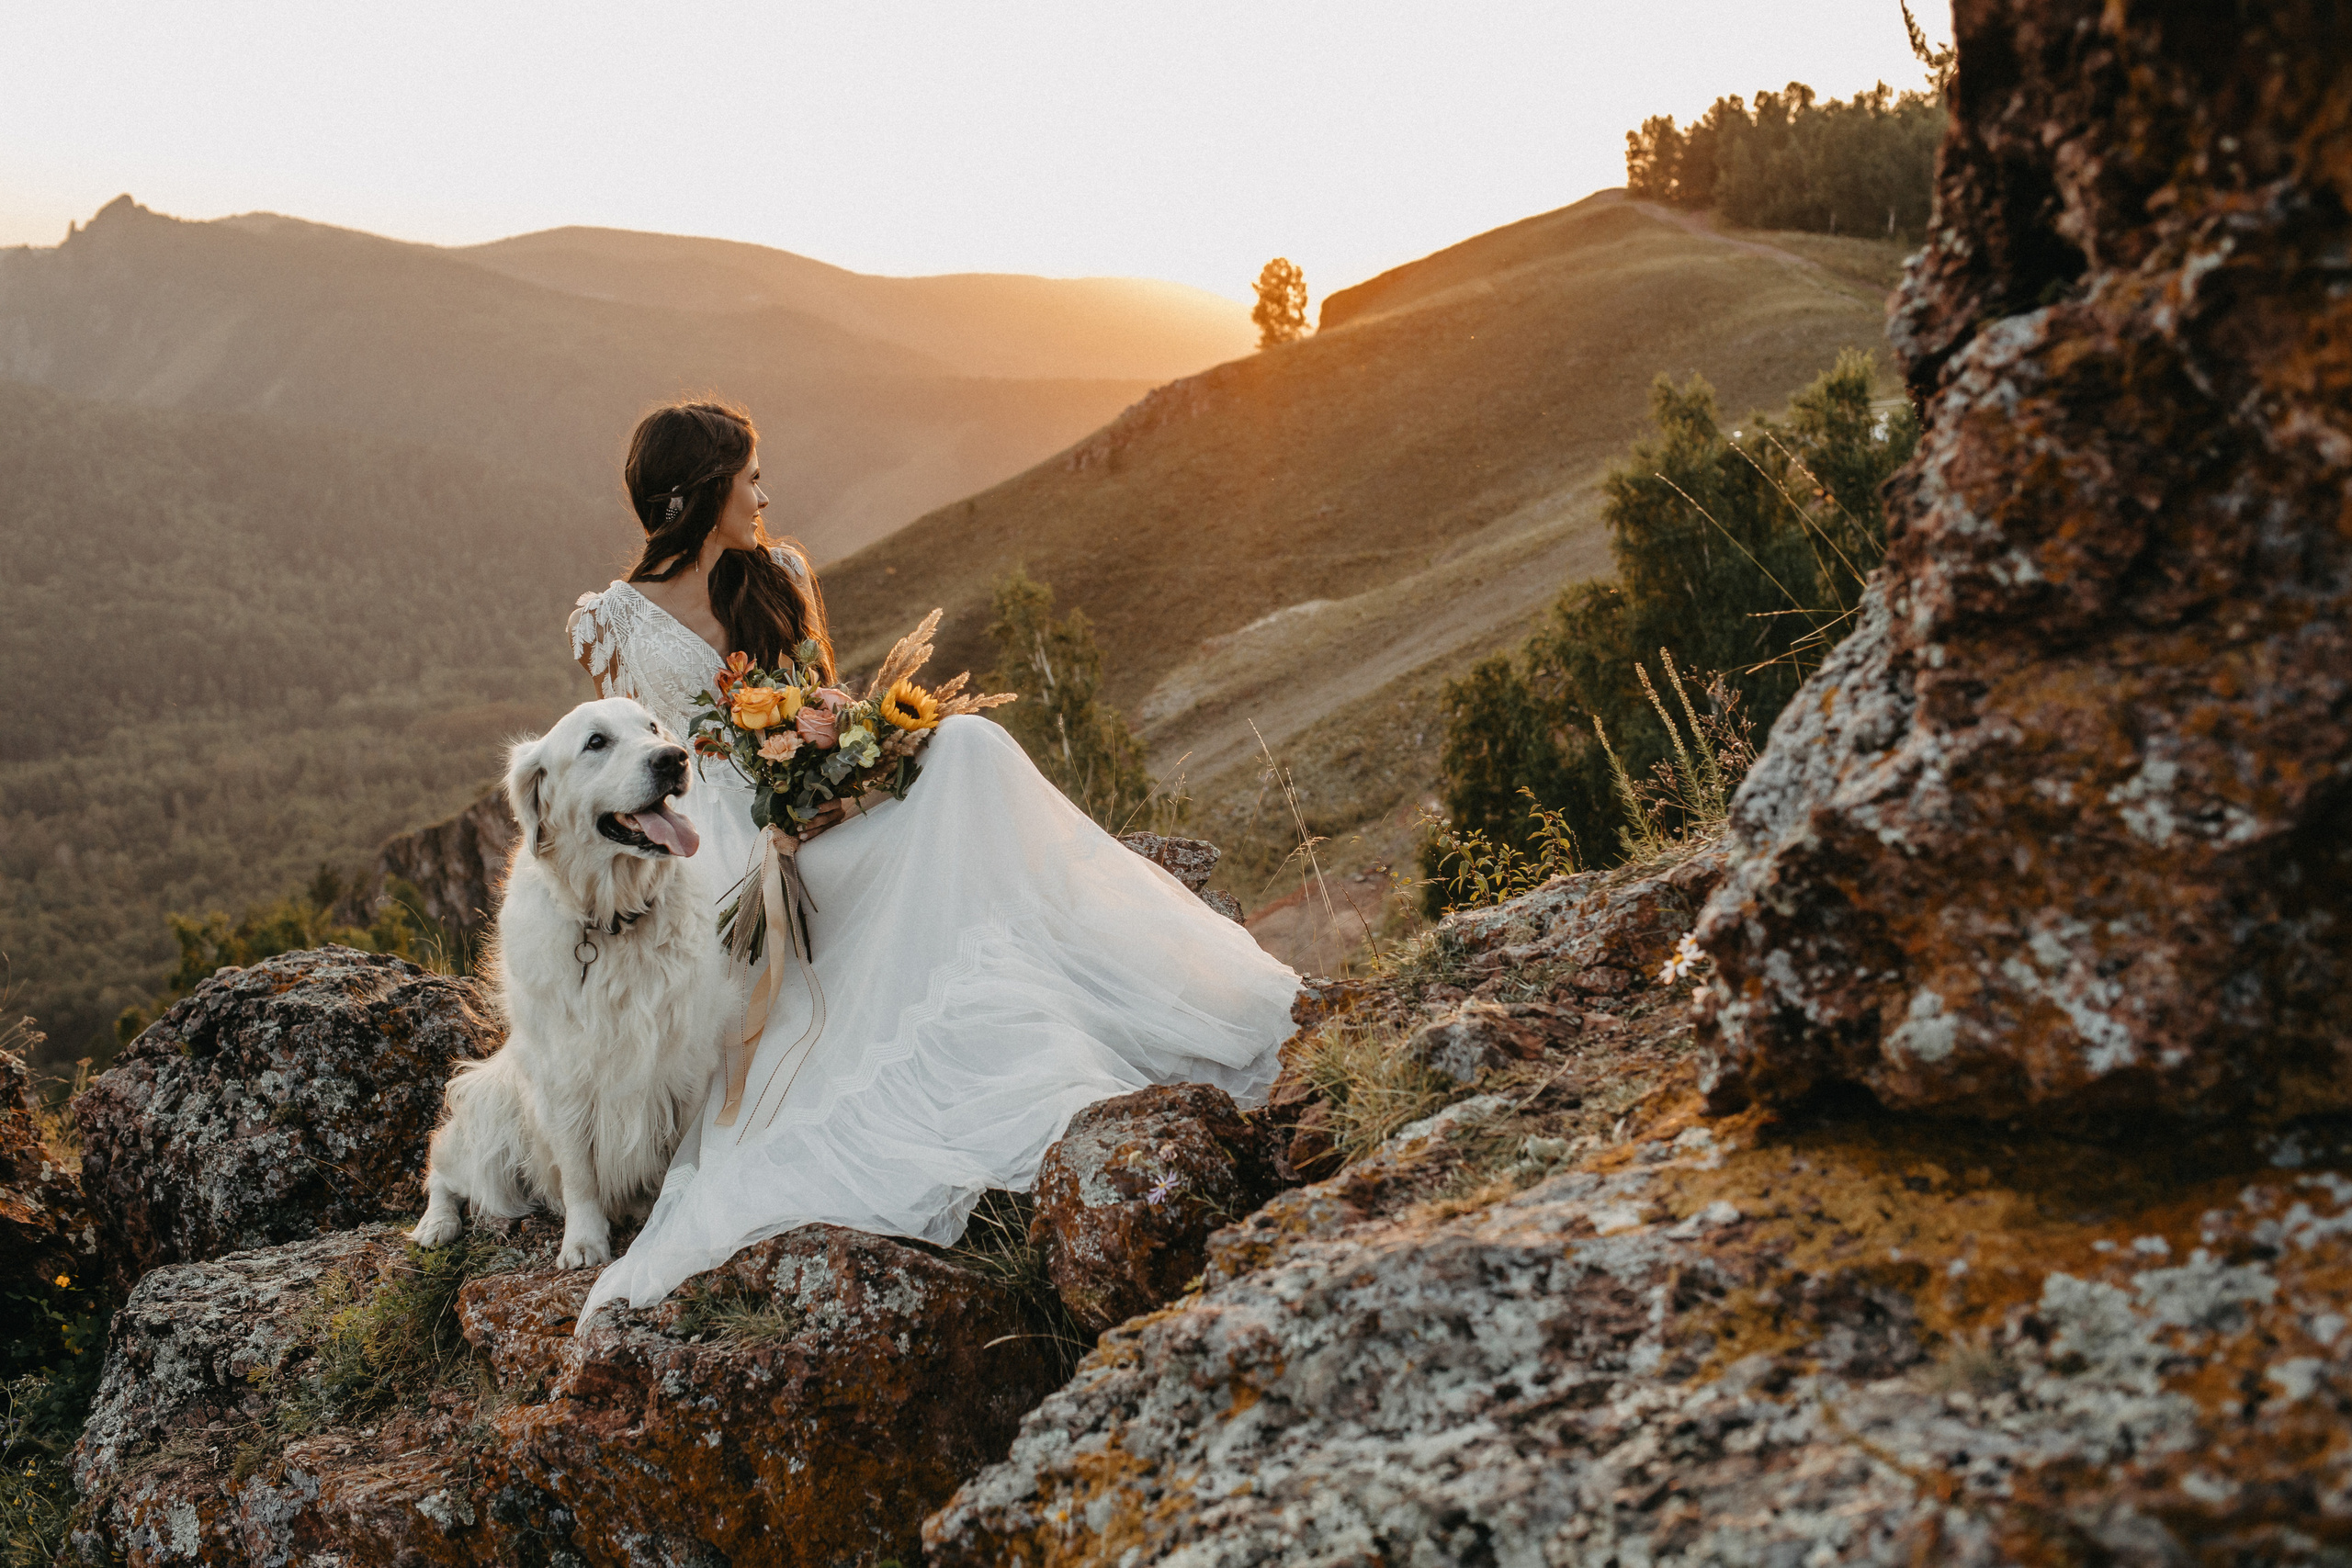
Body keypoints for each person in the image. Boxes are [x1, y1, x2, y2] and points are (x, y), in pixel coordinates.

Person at [565, 400, 1298, 1322]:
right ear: (708, 488)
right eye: (749, 477)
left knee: (970, 750)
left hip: (823, 798)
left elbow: (823, 694)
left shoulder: (778, 572)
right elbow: (635, 771)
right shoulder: (611, 622)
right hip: (725, 850)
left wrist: (841, 746)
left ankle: (1059, 964)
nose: (763, 494)